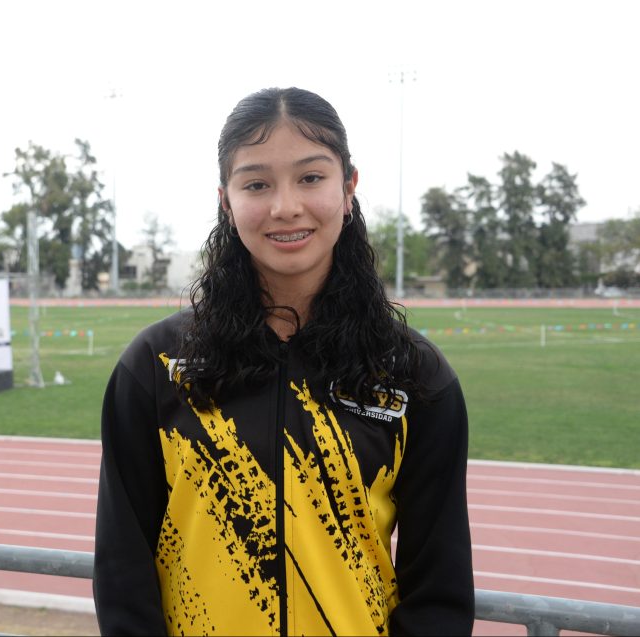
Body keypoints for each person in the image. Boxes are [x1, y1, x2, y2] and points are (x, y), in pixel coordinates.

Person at [93, 87, 474, 636]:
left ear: (349, 188)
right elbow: (122, 571)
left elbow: (439, 586)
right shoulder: (158, 366)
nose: (285, 206)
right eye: (256, 184)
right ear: (226, 201)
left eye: (311, 177)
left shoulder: (412, 374)